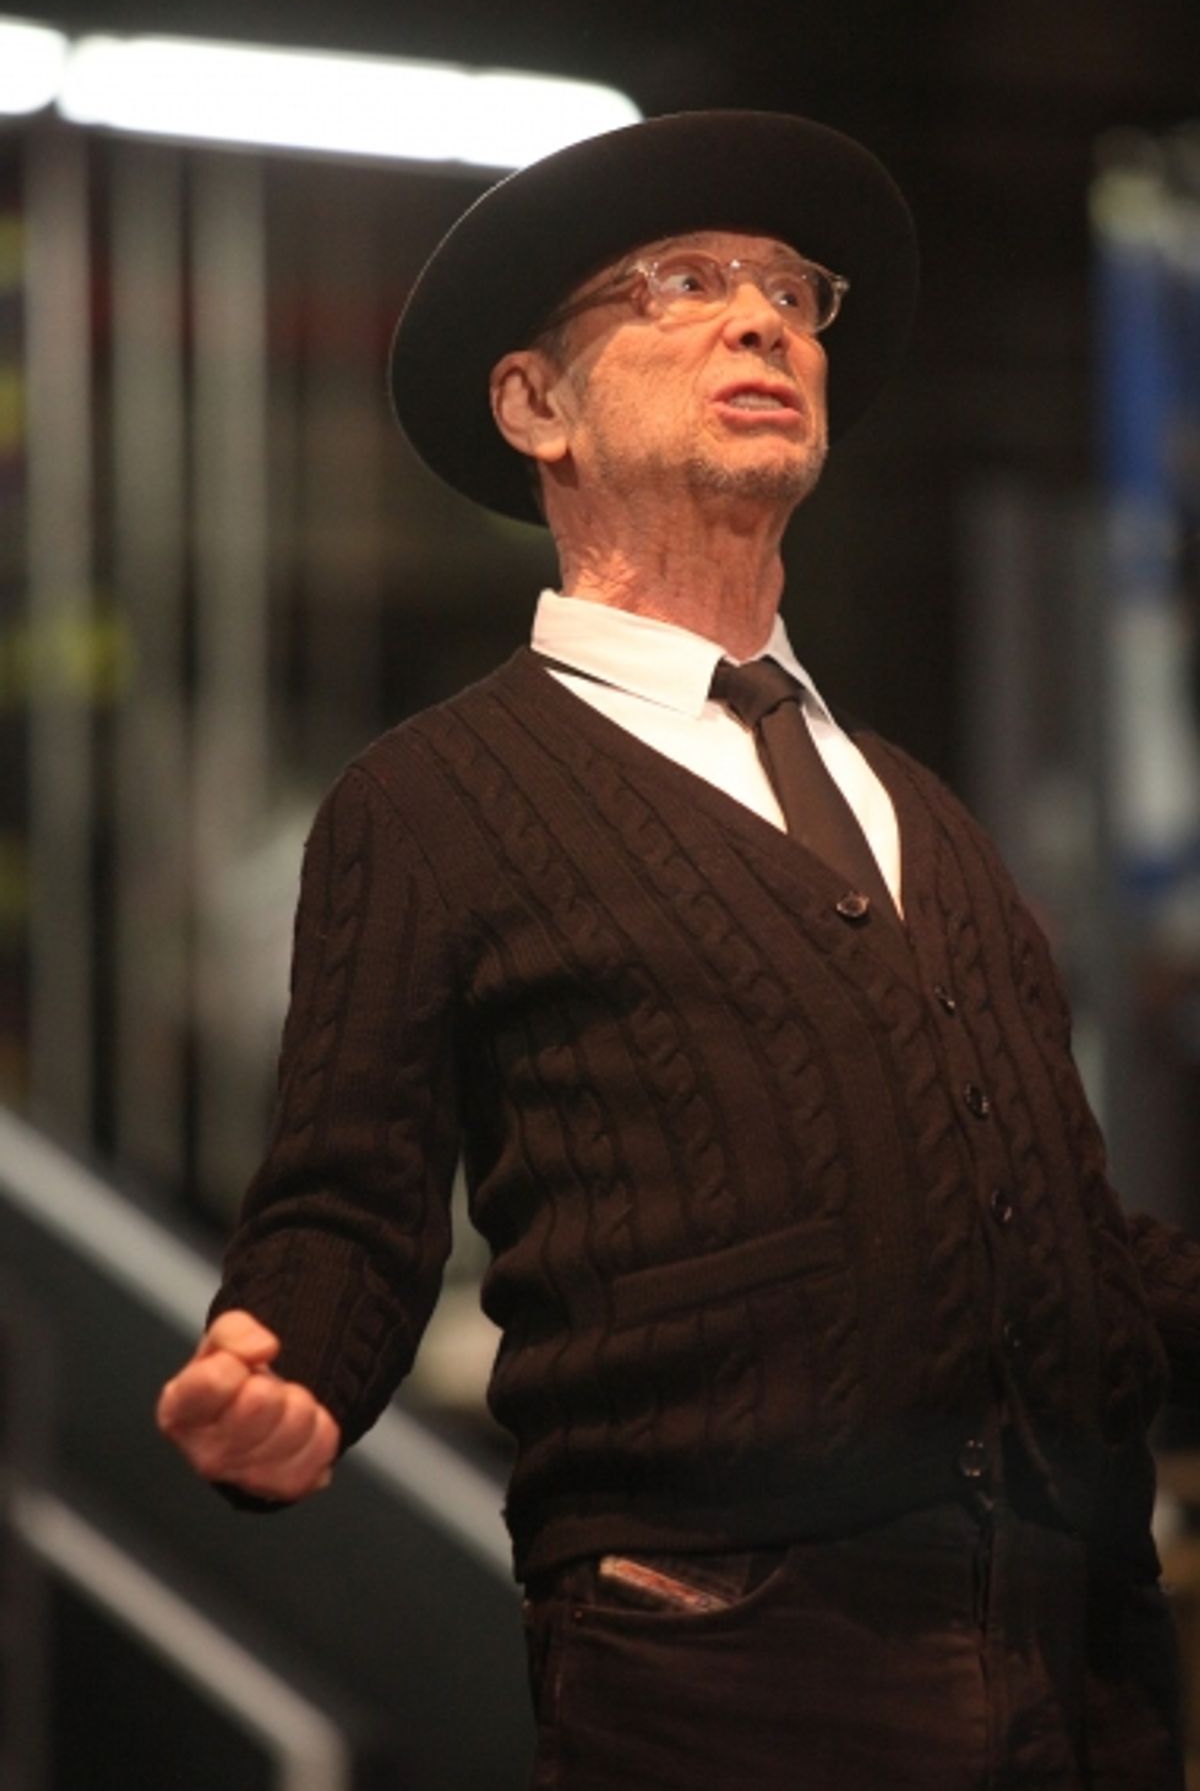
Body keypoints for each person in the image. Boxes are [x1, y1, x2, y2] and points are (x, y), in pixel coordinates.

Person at [156, 111, 1199, 1788]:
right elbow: (348, 1203)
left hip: (1074, 1657)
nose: (764, 319)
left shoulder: (918, 810)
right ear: (536, 406)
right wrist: (280, 1368)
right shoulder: (431, 800)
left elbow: (1065, 1242)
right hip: (723, 1661)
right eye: (685, 284)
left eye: (793, 292)